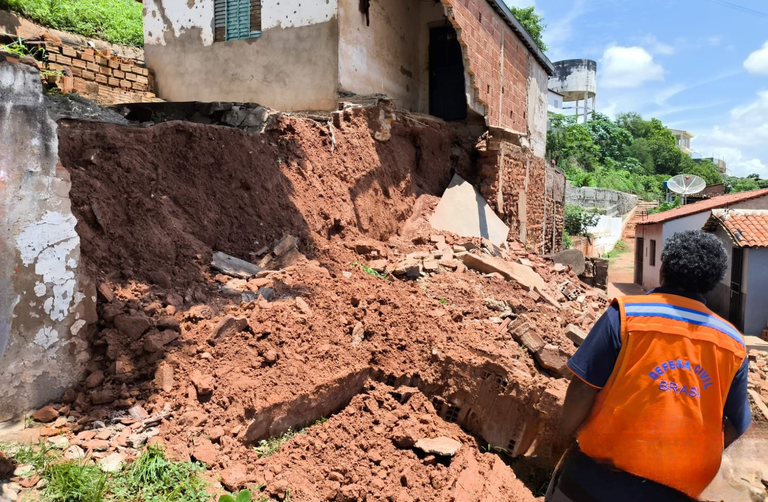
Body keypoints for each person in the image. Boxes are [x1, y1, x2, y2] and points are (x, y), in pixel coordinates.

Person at [545, 230, 751, 502]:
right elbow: (737, 421)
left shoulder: (627, 316)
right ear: (712, 282)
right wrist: (682, 460)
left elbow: (583, 388)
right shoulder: (732, 343)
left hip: (597, 478)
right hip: (677, 490)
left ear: (663, 267)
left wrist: (563, 437)